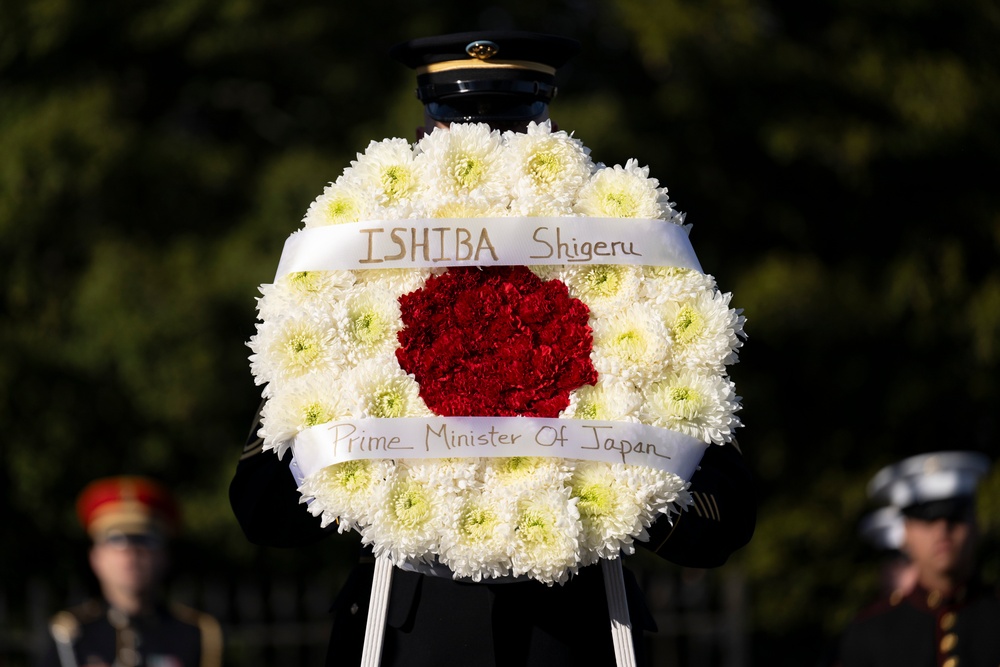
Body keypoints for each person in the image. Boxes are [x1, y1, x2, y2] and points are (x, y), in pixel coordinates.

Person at [229, 30, 756, 667]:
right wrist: (339, 455)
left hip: (572, 628)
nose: (487, 144)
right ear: (428, 131)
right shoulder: (355, 262)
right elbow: (265, 513)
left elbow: (721, 518)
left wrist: (636, 478)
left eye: (510, 123)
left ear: (545, 125)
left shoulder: (629, 259)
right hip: (411, 632)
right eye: (462, 122)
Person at [837, 450, 1000, 667]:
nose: (942, 529)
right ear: (905, 533)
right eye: (927, 517)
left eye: (955, 515)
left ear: (976, 525)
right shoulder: (870, 633)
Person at [42, 476, 223, 667]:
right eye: (115, 540)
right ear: (95, 557)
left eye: (145, 540)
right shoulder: (71, 633)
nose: (130, 551)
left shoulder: (195, 634)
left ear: (164, 556)